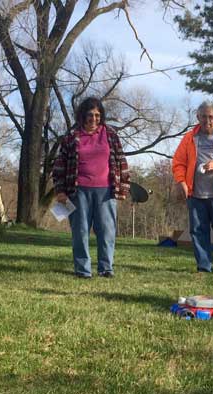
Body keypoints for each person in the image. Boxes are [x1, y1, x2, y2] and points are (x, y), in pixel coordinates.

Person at [52, 97, 130, 278]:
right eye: (89, 115)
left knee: (107, 231)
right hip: (78, 190)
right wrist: (60, 191)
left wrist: (123, 186)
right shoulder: (71, 138)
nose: (93, 118)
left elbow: (121, 161)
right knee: (80, 232)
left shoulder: (110, 135)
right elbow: (59, 166)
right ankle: (82, 269)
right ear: (82, 116)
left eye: (97, 115)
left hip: (106, 190)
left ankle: (106, 268)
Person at [172, 101, 213, 274]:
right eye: (204, 116)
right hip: (195, 195)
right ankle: (204, 267)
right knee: (198, 232)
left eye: (211, 117)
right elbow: (178, 162)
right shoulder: (189, 138)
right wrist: (182, 182)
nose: (207, 120)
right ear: (198, 117)